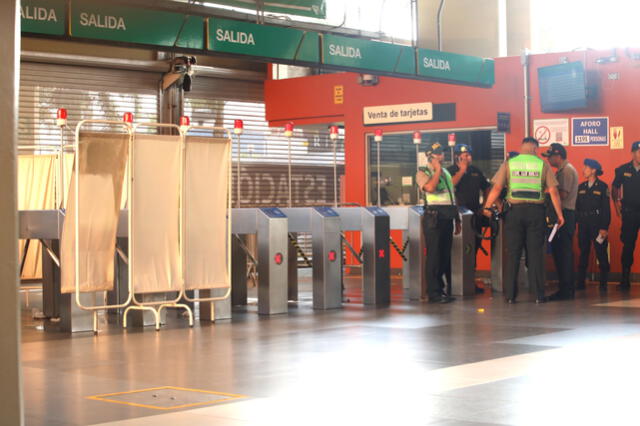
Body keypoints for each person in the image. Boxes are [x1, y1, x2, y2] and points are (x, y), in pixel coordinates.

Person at [483, 137, 565, 304]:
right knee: (535, 254)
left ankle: (510, 296)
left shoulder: (510, 163)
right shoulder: (542, 164)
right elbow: (553, 191)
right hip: (536, 213)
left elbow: (497, 188)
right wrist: (559, 214)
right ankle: (538, 295)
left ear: (522, 147)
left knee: (513, 253)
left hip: (514, 213)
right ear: (534, 148)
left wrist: (487, 206)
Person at [416, 142, 460, 304]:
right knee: (434, 255)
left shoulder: (447, 173)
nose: (442, 156)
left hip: (447, 216)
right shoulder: (423, 172)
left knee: (444, 255)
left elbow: (452, 196)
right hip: (433, 217)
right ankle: (433, 293)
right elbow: (431, 188)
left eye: (442, 153)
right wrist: (437, 170)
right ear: (430, 157)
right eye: (438, 154)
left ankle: (440, 289)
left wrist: (457, 219)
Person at [447, 144, 490, 292]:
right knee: (457, 250)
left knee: (473, 249)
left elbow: (487, 187)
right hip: (457, 216)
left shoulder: (476, 171)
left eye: (469, 155)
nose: (467, 158)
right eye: (464, 155)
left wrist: (485, 205)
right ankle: (453, 283)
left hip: (474, 215)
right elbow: (449, 186)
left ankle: (469, 282)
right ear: (456, 156)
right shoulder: (450, 171)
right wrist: (462, 171)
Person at [541, 143, 579, 300]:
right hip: (563, 214)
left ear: (558, 156)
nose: (548, 159)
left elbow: (561, 194)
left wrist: (545, 192)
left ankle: (566, 289)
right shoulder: (562, 171)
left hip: (565, 215)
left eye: (550, 156)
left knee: (563, 253)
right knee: (560, 252)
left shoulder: (567, 171)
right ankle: (565, 288)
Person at [575, 159, 610, 292]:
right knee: (583, 252)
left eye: (586, 167)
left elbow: (606, 209)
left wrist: (604, 227)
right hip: (584, 224)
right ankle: (580, 282)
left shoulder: (602, 187)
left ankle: (603, 283)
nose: (583, 170)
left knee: (601, 253)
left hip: (597, 224)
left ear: (594, 170)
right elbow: (576, 207)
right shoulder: (581, 187)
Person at [612, 140, 640, 290]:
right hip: (630, 213)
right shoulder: (623, 169)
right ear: (633, 153)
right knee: (628, 246)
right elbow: (615, 187)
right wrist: (617, 206)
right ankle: (625, 279)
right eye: (639, 151)